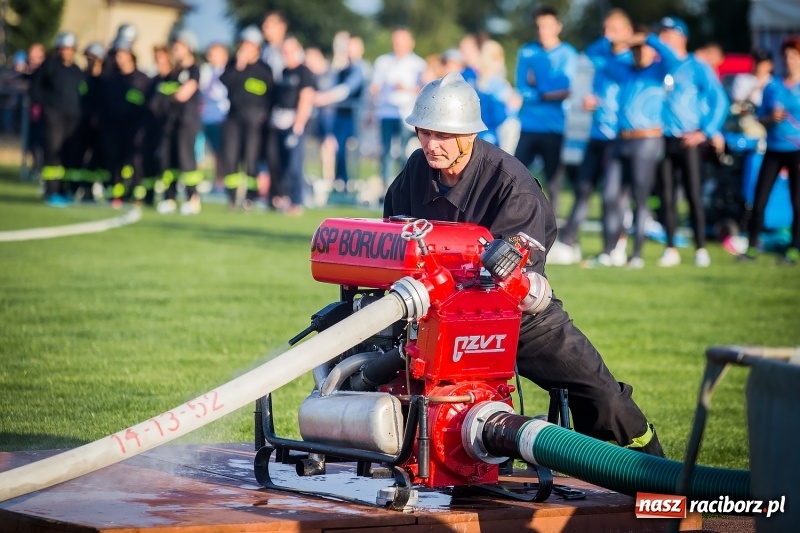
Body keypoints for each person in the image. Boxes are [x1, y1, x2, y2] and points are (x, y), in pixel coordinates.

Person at [384, 72, 665, 456]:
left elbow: (517, 265)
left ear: (469, 135)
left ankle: (658, 480)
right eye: (425, 133)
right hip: (433, 316)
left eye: (443, 135)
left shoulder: (510, 182)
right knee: (373, 372)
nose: (432, 145)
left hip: (516, 315)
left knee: (603, 400)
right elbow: (392, 238)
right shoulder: (415, 171)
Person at [588, 29, 682, 268]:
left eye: (642, 48)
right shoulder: (625, 71)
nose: (638, 53)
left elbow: (674, 59)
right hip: (622, 140)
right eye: (635, 49)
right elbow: (593, 55)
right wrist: (616, 39)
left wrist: (649, 38)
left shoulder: (659, 71)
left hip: (647, 140)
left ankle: (636, 254)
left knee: (640, 200)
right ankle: (609, 251)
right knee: (610, 195)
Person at [550, 9, 633, 266]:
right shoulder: (598, 54)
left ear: (627, 31)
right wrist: (586, 99)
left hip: (621, 137)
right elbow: (586, 59)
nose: (608, 35)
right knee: (582, 189)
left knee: (614, 195)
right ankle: (568, 243)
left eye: (615, 29)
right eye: (605, 29)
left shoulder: (634, 59)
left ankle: (615, 246)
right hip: (595, 135)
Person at [657, 17, 729, 267]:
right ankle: (670, 247)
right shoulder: (661, 65)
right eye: (661, 32)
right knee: (666, 196)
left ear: (682, 37)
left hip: (689, 139)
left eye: (669, 33)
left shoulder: (697, 66)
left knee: (693, 194)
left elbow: (719, 100)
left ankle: (700, 248)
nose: (663, 37)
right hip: (663, 139)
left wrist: (705, 131)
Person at [514, 5, 578, 218]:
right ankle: (512, 219)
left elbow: (569, 90)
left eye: (548, 26)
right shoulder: (526, 51)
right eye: (540, 26)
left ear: (558, 27)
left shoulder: (568, 54)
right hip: (529, 126)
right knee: (514, 176)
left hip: (555, 128)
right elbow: (522, 88)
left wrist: (539, 91)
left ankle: (551, 227)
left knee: (553, 183)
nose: (543, 31)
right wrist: (548, 91)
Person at [741, 36, 800, 265]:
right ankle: (752, 247)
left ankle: (794, 249)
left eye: (794, 56)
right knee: (759, 198)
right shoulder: (773, 86)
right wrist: (770, 118)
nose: (789, 60)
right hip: (773, 148)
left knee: (797, 202)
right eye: (786, 56)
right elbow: (760, 118)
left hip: (796, 150)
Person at [220, 26, 273, 209]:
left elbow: (270, 96)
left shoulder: (265, 70)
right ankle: (232, 197)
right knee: (231, 157)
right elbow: (224, 84)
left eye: (250, 45)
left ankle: (251, 197)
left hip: (254, 119)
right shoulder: (234, 65)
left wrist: (263, 116)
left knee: (251, 158)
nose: (245, 49)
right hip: (234, 117)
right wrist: (239, 66)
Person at [29, 32, 84, 206]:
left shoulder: (76, 71)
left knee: (67, 154)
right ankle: (51, 191)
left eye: (69, 49)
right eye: (63, 48)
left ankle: (63, 190)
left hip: (72, 119)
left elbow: (83, 93)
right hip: (53, 117)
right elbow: (35, 89)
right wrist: (47, 107)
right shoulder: (49, 66)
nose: (66, 52)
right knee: (53, 152)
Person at [370, 27, 426, 190]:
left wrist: (406, 88)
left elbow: (423, 88)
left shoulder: (418, 64)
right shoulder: (383, 61)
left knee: (403, 151)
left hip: (406, 114)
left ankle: (404, 184)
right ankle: (386, 186)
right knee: (385, 152)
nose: (397, 45)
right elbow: (375, 86)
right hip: (386, 112)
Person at [266, 36, 315, 215]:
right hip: (280, 123)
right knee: (281, 164)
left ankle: (297, 201)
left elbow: (306, 98)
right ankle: (283, 198)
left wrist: (298, 124)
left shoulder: (304, 72)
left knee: (295, 164)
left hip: (295, 123)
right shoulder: (285, 71)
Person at [157, 30, 203, 215]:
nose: (175, 49)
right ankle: (170, 198)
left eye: (180, 46)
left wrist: (167, 96)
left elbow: (183, 94)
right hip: (171, 121)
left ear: (189, 48)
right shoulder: (173, 72)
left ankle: (193, 198)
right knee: (169, 160)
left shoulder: (194, 70)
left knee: (186, 160)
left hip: (187, 121)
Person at [101, 38, 150, 208]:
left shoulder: (142, 79)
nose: (119, 59)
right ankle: (116, 194)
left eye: (122, 55)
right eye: (117, 55)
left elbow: (147, 105)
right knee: (115, 159)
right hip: (114, 126)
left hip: (135, 127)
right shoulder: (110, 79)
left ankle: (136, 193)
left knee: (135, 160)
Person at [314, 34, 368, 189]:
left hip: (353, 116)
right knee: (337, 150)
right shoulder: (342, 68)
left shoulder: (360, 68)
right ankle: (339, 180)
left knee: (346, 151)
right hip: (339, 115)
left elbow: (347, 89)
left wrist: (326, 97)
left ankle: (345, 182)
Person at [199, 42, 230, 192]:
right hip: (206, 117)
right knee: (209, 152)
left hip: (222, 117)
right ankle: (212, 181)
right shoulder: (205, 70)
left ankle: (221, 182)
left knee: (222, 152)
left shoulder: (228, 71)